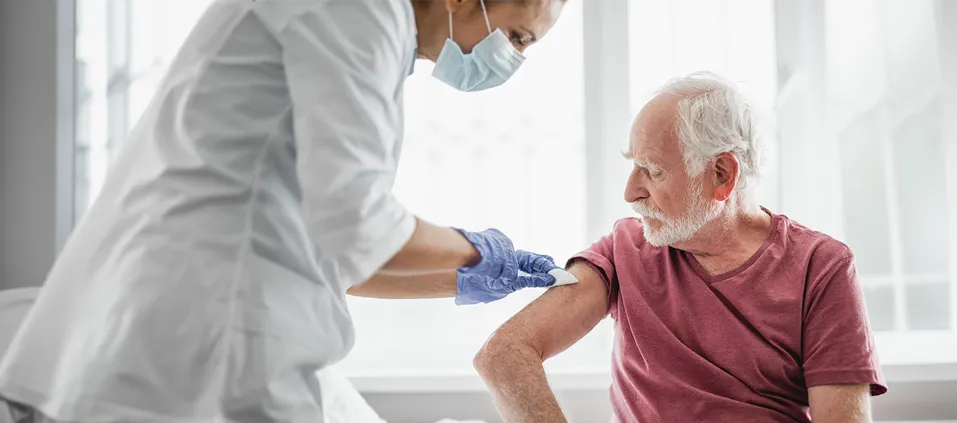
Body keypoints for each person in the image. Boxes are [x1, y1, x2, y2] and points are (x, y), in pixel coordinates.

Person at [0, 0, 570, 422]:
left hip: (194, 330)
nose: (512, 59)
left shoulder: (379, 36)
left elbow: (336, 253)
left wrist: (461, 277)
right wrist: (477, 253)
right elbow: (360, 227)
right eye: (518, 37)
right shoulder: (354, 14)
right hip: (187, 345)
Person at [474, 73, 888, 423]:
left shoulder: (821, 266)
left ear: (722, 174)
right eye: (633, 166)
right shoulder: (625, 250)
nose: (630, 192)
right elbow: (505, 354)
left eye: (652, 171)